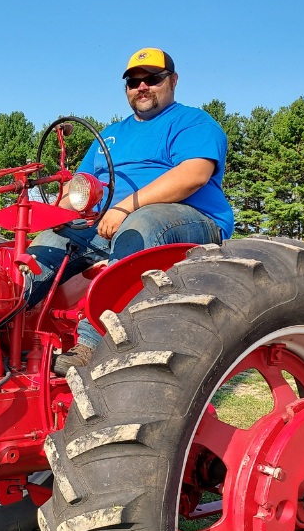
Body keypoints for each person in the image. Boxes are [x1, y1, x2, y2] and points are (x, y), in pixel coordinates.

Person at [27, 47, 234, 375]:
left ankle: (92, 346)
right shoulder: (109, 136)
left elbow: (193, 174)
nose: (142, 86)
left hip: (186, 220)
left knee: (141, 224)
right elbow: (79, 188)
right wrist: (47, 216)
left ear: (173, 80)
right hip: (110, 222)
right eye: (133, 81)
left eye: (152, 78)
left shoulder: (192, 121)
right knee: (49, 239)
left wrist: (124, 207)